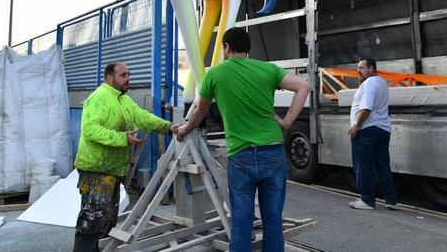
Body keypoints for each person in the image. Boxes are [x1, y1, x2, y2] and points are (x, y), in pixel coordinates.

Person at [176, 27, 310, 252]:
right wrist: (286, 122)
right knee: (273, 222)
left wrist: (185, 128)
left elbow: (199, 110)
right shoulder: (268, 70)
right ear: (247, 49)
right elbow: (304, 87)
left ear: (226, 47)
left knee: (241, 223)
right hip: (273, 152)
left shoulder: (215, 74)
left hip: (242, 155)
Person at [73, 62, 178, 252]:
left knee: (108, 219)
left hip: (111, 170)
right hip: (95, 170)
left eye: (129, 74)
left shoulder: (124, 100)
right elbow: (90, 129)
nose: (128, 78)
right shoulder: (99, 98)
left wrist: (169, 127)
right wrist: (123, 138)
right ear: (110, 78)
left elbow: (142, 116)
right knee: (92, 222)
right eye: (123, 75)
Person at [348, 57, 399, 210]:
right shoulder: (381, 82)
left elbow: (366, 108)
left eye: (362, 67)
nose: (359, 71)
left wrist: (356, 125)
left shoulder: (369, 83)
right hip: (383, 129)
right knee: (382, 165)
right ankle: (391, 200)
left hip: (367, 130)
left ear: (371, 69)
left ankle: (367, 200)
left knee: (362, 165)